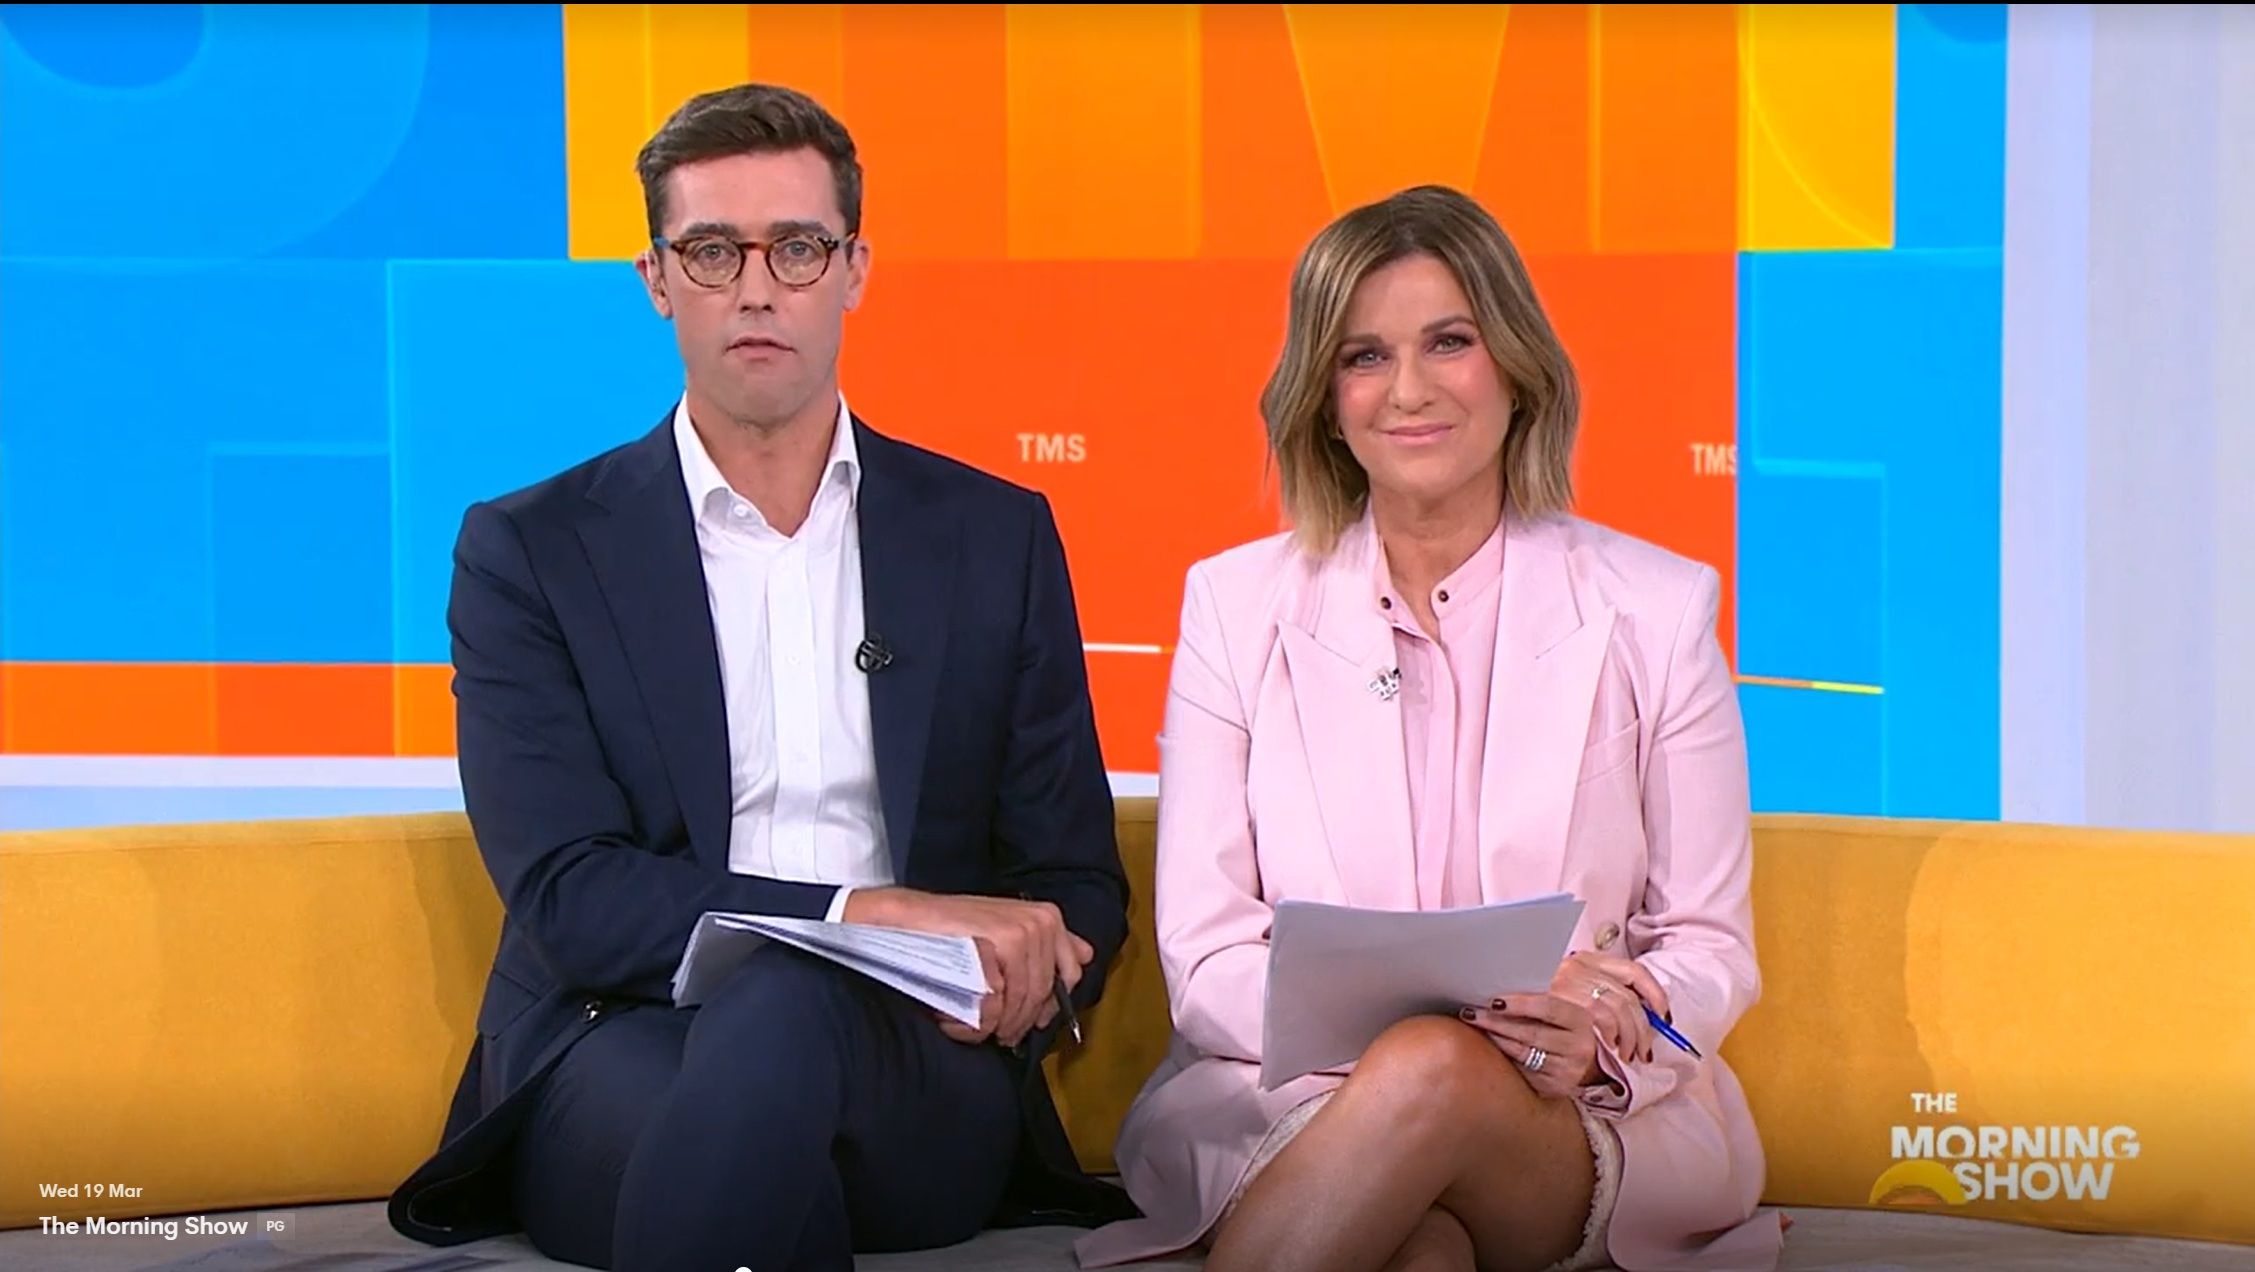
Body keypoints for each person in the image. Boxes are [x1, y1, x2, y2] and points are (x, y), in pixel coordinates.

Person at [386, 83, 1134, 1272]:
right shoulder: (532, 550)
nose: (754, 288)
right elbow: (571, 894)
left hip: (914, 1058)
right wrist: (860, 914)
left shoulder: (991, 536)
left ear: (853, 270)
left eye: (794, 248)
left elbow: (1072, 879)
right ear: (655, 279)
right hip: (623, 1045)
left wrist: (1018, 976)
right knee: (769, 1080)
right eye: (710, 251)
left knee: (789, 1019)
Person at [1076, 185, 1782, 1272]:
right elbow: (1207, 955)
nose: (1407, 390)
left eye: (1448, 342)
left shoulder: (1655, 606)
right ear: (1324, 398)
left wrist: (1603, 1033)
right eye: (1363, 356)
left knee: (1433, 1072)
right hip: (1296, 1101)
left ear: (1515, 367)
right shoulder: (1234, 606)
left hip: (1571, 1116)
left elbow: (1707, 945)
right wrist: (1401, 1044)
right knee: (1421, 1248)